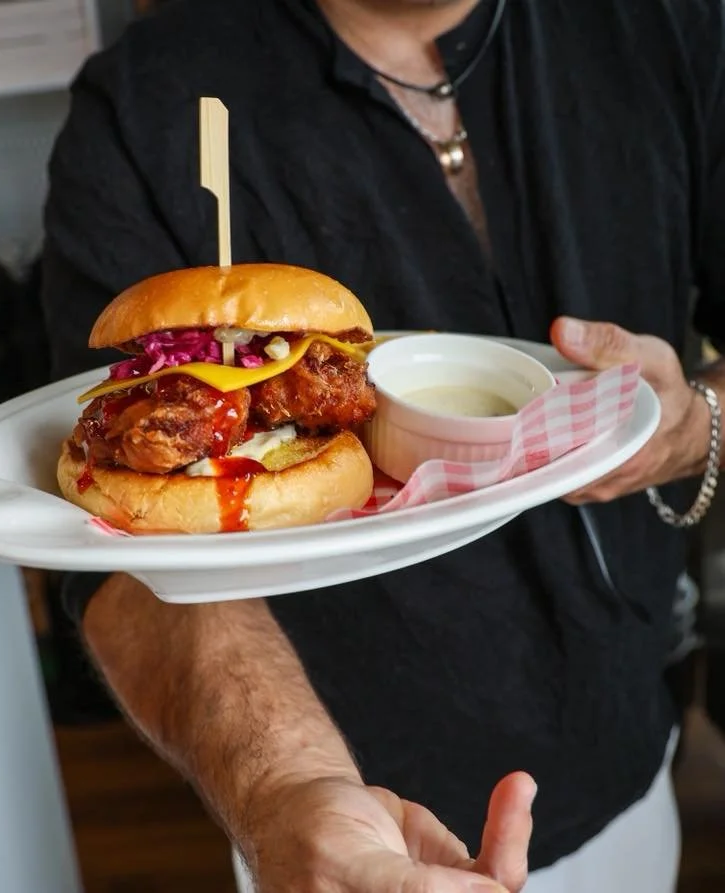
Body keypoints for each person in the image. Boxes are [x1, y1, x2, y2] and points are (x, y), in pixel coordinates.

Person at [39, 0, 725, 890]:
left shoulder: (669, 23)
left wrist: (695, 426)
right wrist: (291, 787)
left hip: (631, 774)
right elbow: (123, 562)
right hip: (342, 833)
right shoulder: (141, 103)